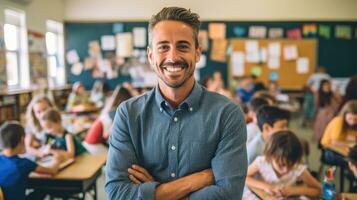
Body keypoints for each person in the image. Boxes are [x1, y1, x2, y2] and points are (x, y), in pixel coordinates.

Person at [105, 7, 247, 200]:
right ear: (150, 55)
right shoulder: (128, 114)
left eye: (183, 46)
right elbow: (116, 193)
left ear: (197, 53)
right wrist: (195, 181)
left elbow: (228, 194)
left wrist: (153, 192)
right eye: (163, 46)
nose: (173, 57)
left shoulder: (227, 114)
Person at [244, 130, 322, 199]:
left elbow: (318, 190)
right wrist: (266, 186)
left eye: (290, 165)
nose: (285, 170)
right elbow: (244, 177)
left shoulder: (298, 168)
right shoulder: (262, 162)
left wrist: (293, 190)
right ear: (271, 156)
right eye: (281, 165)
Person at [0, 122, 59, 200]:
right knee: (44, 188)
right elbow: (52, 171)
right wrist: (57, 159)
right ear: (22, 139)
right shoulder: (23, 164)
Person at [83, 86, 132, 154]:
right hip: (94, 145)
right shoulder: (115, 113)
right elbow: (107, 136)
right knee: (118, 155)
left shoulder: (110, 109)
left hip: (88, 143)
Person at [320, 100, 357, 166]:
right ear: (344, 115)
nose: (352, 122)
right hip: (329, 150)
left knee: (353, 160)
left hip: (342, 149)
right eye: (350, 118)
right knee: (353, 163)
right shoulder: (338, 121)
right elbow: (334, 142)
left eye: (355, 120)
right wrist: (350, 143)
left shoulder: (353, 125)